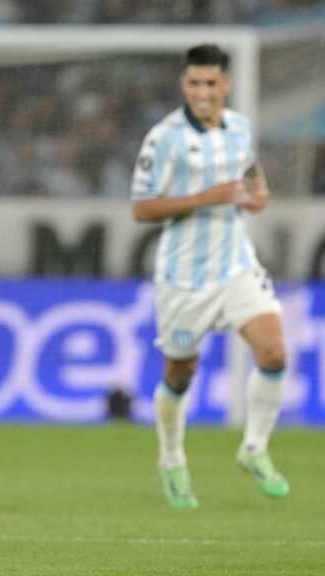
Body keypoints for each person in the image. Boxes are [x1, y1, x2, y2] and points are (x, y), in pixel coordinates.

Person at [131, 43, 289, 509]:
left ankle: (255, 447)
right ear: (185, 84)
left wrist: (257, 194)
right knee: (180, 373)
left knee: (274, 350)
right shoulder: (164, 138)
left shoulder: (239, 127)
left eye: (211, 83)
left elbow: (252, 178)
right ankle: (172, 459)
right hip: (184, 277)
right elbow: (141, 207)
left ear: (226, 84)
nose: (203, 91)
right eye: (195, 83)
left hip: (237, 265)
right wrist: (208, 196)